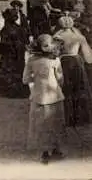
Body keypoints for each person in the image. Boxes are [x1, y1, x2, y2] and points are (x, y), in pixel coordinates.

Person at [23, 34, 66, 164]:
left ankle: (47, 151)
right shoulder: (55, 60)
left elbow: (25, 79)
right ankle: (52, 150)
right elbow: (60, 79)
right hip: (53, 95)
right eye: (46, 45)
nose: (49, 47)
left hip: (40, 95)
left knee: (43, 123)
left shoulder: (32, 60)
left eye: (49, 44)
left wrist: (35, 80)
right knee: (53, 122)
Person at [53, 15, 92, 127]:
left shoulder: (58, 36)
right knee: (78, 87)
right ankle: (80, 116)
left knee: (66, 87)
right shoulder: (78, 36)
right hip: (76, 62)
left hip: (64, 62)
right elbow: (88, 56)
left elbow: (54, 53)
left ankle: (68, 116)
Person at [0, 9, 30, 98]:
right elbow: (26, 42)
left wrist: (0, 52)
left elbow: (3, 43)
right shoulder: (21, 29)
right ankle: (19, 90)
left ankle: (7, 90)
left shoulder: (6, 29)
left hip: (8, 54)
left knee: (8, 71)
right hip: (19, 53)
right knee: (18, 71)